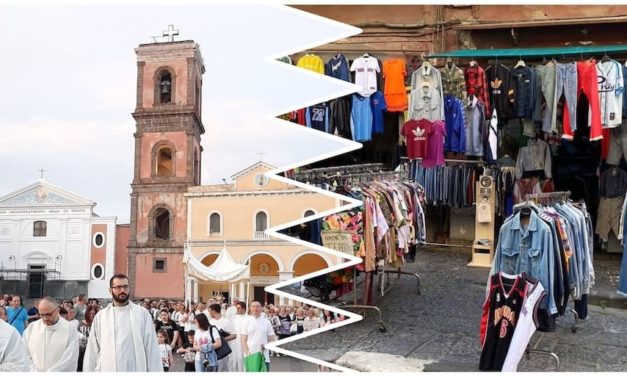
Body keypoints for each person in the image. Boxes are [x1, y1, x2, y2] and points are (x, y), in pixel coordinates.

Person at [83, 273, 162, 372]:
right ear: (110, 290)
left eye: (125, 287)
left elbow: (151, 348)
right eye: (118, 287)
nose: (122, 291)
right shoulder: (101, 317)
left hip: (135, 369)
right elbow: (92, 350)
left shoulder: (142, 314)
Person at [23, 296, 80, 371]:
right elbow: (23, 354)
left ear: (58, 310)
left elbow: (70, 359)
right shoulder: (31, 328)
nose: (45, 318)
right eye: (42, 315)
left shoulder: (70, 330)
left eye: (48, 314)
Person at [241, 301, 275, 372]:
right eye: (253, 306)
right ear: (250, 308)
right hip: (250, 354)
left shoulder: (267, 322)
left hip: (263, 355)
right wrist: (247, 353)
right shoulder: (246, 321)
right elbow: (243, 340)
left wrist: (266, 346)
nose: (255, 308)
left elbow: (272, 339)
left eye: (257, 306)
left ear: (261, 308)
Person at [207, 303, 236, 372]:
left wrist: (222, 339)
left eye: (210, 311)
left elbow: (234, 335)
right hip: (212, 349)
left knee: (223, 369)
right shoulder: (211, 322)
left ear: (213, 311)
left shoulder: (226, 322)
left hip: (223, 350)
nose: (209, 313)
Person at [77, 305, 98, 372]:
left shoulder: (97, 324)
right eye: (90, 313)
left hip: (92, 352)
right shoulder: (80, 323)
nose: (92, 315)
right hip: (81, 351)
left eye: (93, 313)